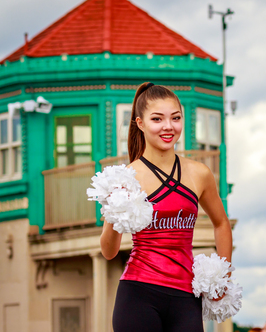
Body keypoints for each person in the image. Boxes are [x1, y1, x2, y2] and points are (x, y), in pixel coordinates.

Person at [100, 82, 233, 332]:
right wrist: (112, 213)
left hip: (185, 297)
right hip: (138, 295)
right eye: (157, 119)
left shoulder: (200, 173)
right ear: (140, 123)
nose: (168, 126)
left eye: (176, 118)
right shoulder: (125, 177)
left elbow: (221, 223)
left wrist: (221, 278)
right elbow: (109, 252)